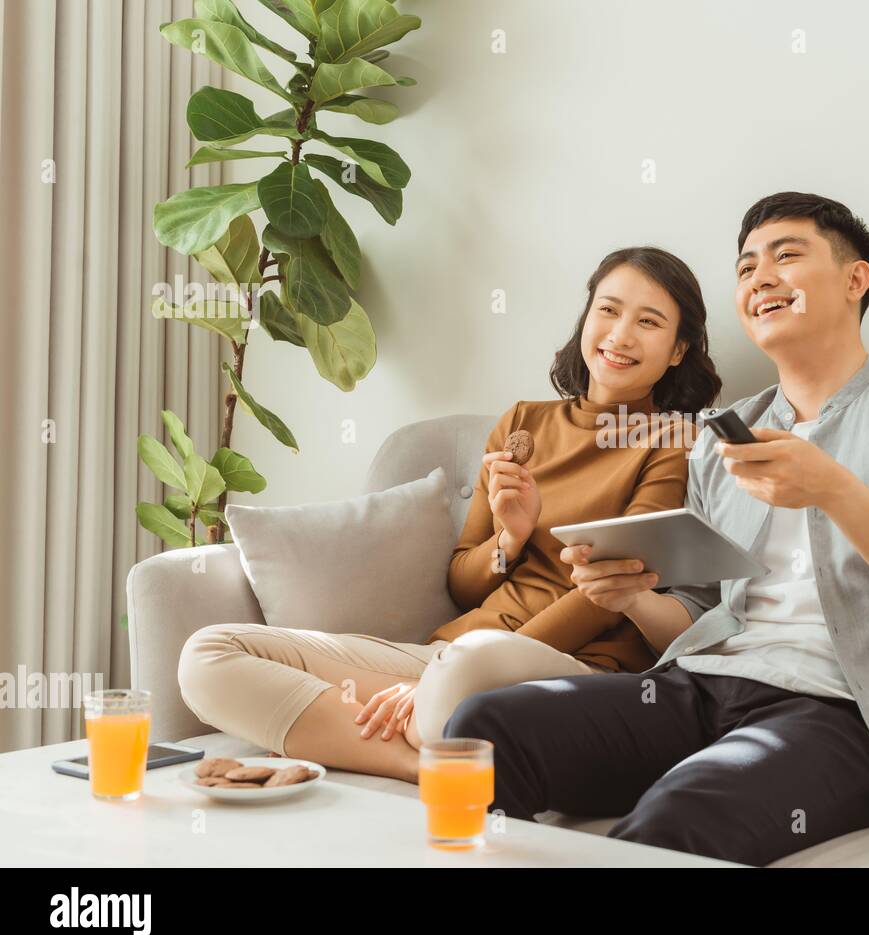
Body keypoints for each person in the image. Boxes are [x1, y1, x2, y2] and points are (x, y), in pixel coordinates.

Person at [442, 192, 869, 867]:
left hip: (846, 713)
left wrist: (834, 489)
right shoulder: (723, 437)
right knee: (484, 725)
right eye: (746, 268)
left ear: (856, 279)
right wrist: (630, 597)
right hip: (703, 684)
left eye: (786, 255)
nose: (759, 277)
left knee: (676, 819)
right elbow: (697, 611)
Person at [176, 247, 721, 783]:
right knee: (209, 654)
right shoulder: (521, 421)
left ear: (677, 351)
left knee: (469, 667)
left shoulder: (671, 441)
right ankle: (421, 764)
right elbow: (462, 583)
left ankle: (411, 722)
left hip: (562, 664)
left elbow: (609, 594)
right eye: (608, 309)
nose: (621, 334)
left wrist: (455, 674)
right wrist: (511, 535)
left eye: (648, 322)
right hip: (448, 653)